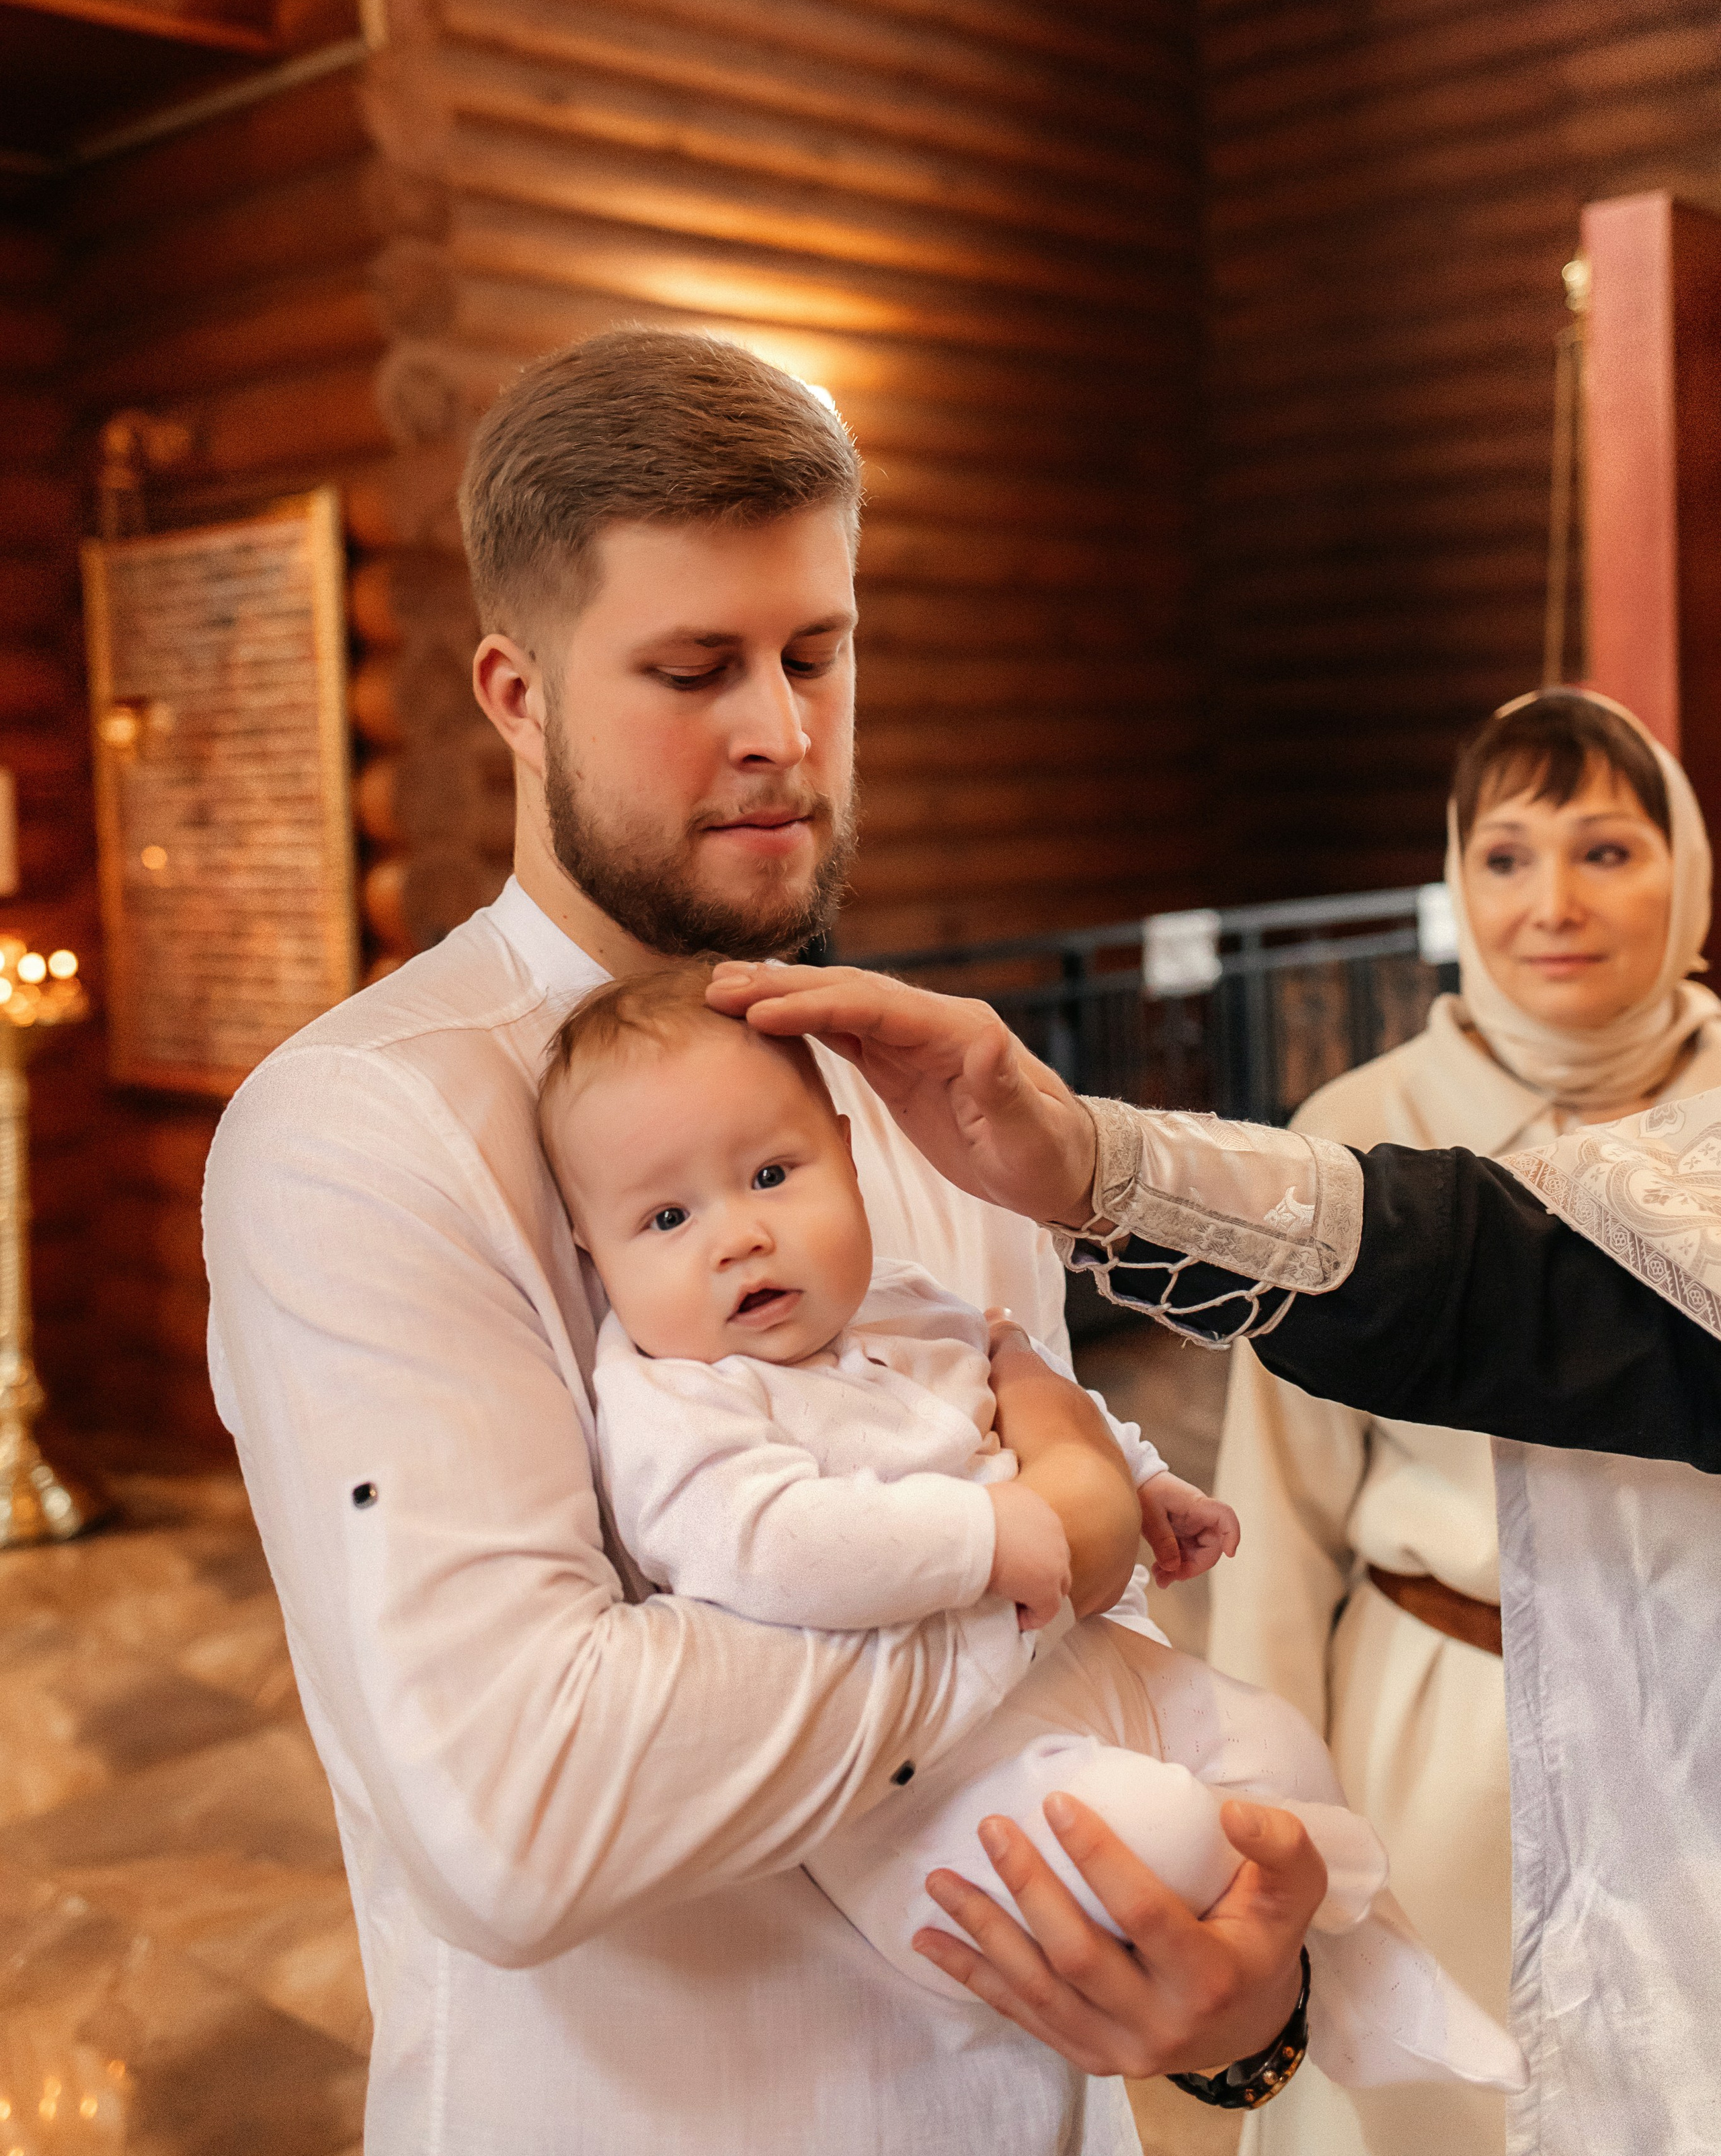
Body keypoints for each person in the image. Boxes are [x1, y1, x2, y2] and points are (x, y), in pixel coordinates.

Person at [202, 329, 1321, 2156]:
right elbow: (524, 1805)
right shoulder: (359, 1135)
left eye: (816, 652)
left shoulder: (919, 1087)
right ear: (515, 689)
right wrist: (1040, 1548)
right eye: (693, 667)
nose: (781, 733)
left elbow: (1089, 1693)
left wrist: (1235, 2020)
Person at [709, 955, 1721, 2152]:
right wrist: (1092, 1173)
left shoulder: (900, 1287)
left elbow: (1018, 1381)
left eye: (774, 1173)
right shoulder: (686, 1376)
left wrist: (1097, 1482)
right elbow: (1517, 1285)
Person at [541, 961, 1521, 2099]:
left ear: (852, 1165)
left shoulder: (903, 1301)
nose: (739, 1238)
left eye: (770, 1175)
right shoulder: (676, 1398)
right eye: (667, 1218)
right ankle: (1326, 1903)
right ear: (593, 1255)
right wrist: (981, 1537)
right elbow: (765, 1542)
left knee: (1271, 1742)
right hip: (933, 1790)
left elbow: (1040, 1393)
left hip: (1076, 1662)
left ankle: (1376, 1981)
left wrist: (1144, 1485)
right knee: (1153, 1829)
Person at [1206, 687, 1721, 2156]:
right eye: (1503, 857)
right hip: (1435, 1732)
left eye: (1605, 851)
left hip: (1689, 1720)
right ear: (1453, 882)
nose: (1549, 903)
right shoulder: (1353, 1139)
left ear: (1685, 874)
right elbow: (1276, 1527)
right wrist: (1268, 1817)